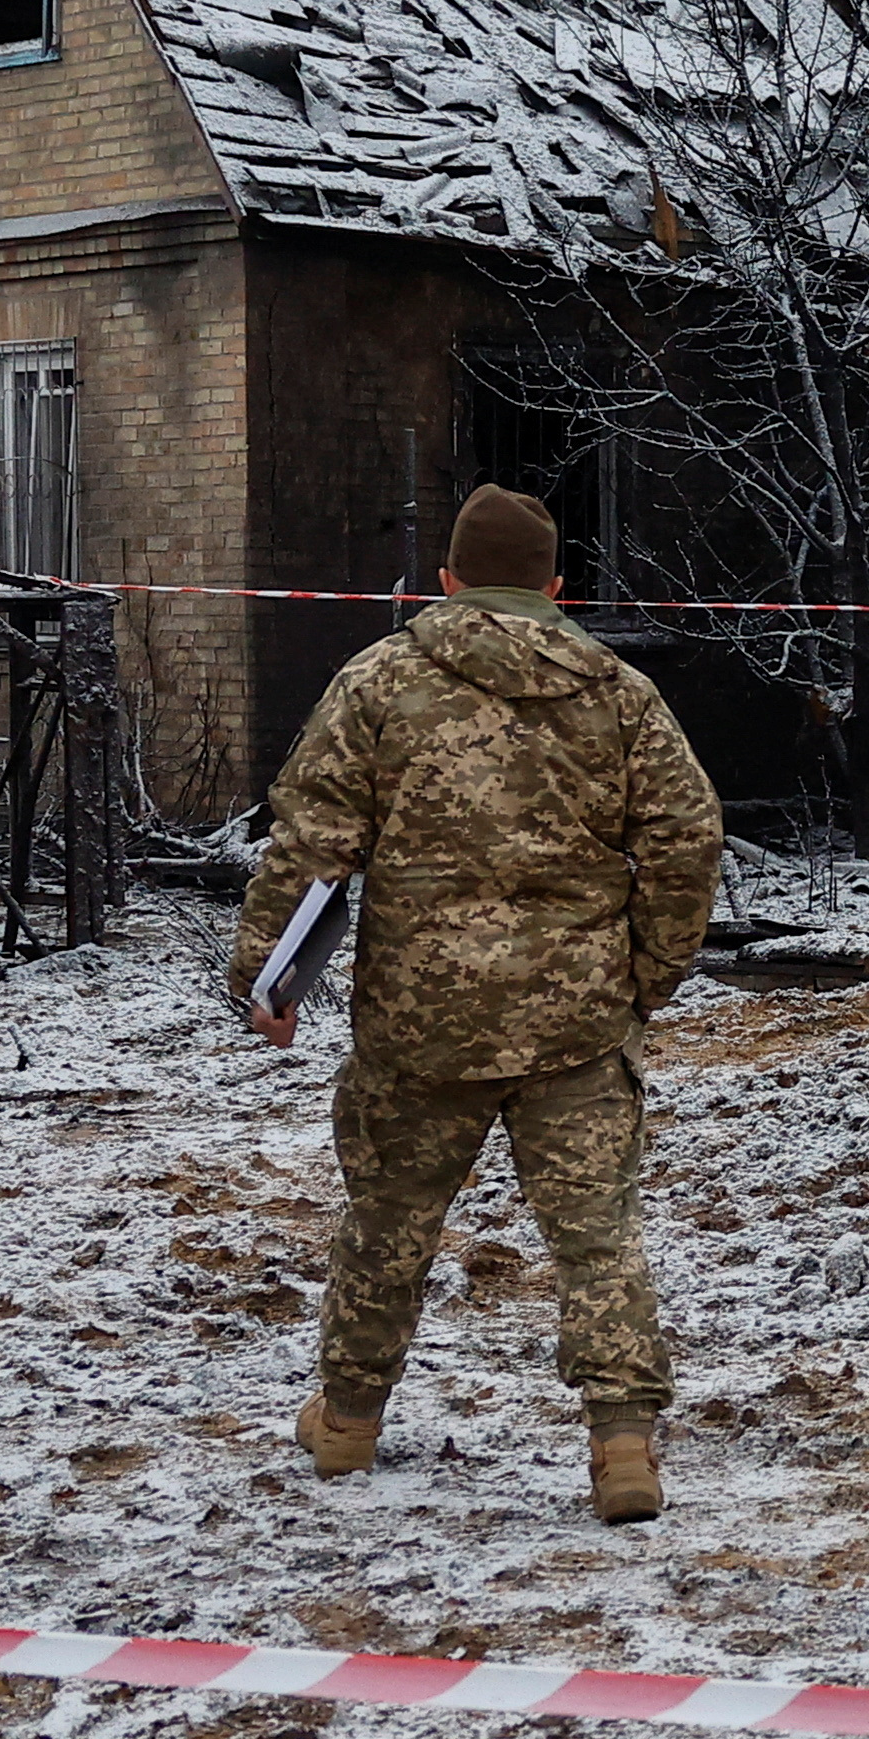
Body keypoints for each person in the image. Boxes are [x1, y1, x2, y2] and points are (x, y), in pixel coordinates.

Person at [232, 487, 722, 1523]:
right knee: (596, 1233)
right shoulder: (619, 691)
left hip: (419, 1019)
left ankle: (350, 1419)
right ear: (556, 587)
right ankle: (622, 1442)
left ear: (445, 579)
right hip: (577, 1018)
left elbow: (312, 838)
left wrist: (266, 977)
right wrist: (649, 972)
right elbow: (686, 835)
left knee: (387, 1220)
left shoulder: (377, 681)